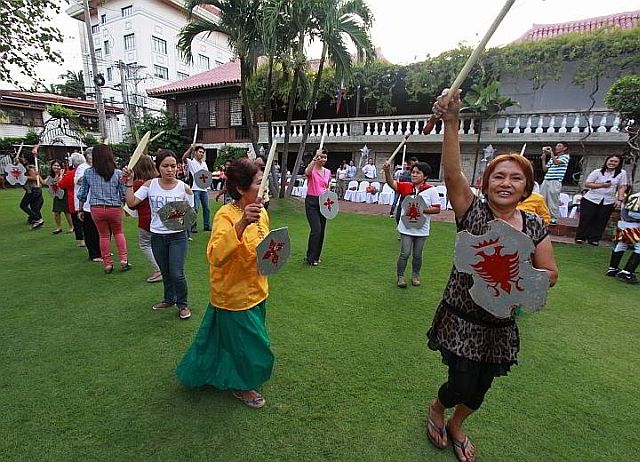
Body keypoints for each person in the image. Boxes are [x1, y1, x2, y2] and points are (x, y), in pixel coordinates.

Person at [426, 90, 558, 462]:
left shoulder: (534, 225)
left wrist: (519, 280)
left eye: (516, 178)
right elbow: (452, 174)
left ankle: (457, 425)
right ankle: (439, 408)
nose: (506, 182)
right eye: (498, 176)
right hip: (462, 318)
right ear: (485, 184)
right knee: (460, 383)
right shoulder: (473, 214)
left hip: (501, 325)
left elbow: (550, 273)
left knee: (481, 390)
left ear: (526, 187)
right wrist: (451, 122)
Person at [176, 157, 274, 408]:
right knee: (252, 345)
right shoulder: (226, 216)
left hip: (257, 289)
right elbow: (216, 256)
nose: (263, 188)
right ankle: (242, 386)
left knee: (226, 342)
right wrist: (241, 224)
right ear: (241, 188)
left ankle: (215, 371)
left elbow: (265, 247)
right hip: (233, 296)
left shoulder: (261, 212)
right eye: (258, 183)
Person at [123, 150, 194, 319]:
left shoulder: (184, 188)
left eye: (173, 166)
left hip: (177, 236)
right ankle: (169, 299)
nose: (170, 169)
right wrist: (129, 183)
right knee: (165, 271)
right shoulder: (150, 184)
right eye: (165, 166)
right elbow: (132, 203)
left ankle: (182, 304)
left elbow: (190, 214)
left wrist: (179, 217)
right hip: (157, 236)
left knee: (177, 272)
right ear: (158, 167)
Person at [382, 160, 441, 288]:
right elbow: (392, 183)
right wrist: (387, 171)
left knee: (418, 254)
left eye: (417, 173)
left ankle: (415, 275)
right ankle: (401, 276)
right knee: (405, 253)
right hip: (406, 227)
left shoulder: (431, 190)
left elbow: (437, 209)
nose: (414, 175)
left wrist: (420, 209)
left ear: (425, 176)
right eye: (413, 172)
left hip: (422, 228)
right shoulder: (406, 186)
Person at [77, 144, 129, 273]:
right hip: (114, 208)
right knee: (118, 233)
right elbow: (123, 193)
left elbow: (83, 193)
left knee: (103, 236)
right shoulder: (117, 173)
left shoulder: (88, 172)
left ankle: (107, 263)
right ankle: (123, 259)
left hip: (96, 209)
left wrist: (80, 209)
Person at [575, 154, 628, 245]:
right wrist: (602, 185)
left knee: (601, 220)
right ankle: (581, 237)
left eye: (615, 162)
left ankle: (594, 239)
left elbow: (622, 186)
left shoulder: (622, 173)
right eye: (611, 161)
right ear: (607, 161)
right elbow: (588, 184)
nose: (612, 163)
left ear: (619, 163)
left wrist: (619, 199)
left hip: (608, 200)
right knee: (586, 218)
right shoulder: (597, 172)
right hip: (591, 198)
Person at [131, 155, 162, 283]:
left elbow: (132, 204)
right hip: (159, 219)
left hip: (146, 219)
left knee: (145, 244)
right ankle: (162, 269)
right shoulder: (159, 182)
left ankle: (159, 270)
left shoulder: (138, 184)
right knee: (158, 246)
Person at [304, 148, 331, 266]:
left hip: (323, 201)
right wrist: (315, 158)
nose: (323, 159)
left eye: (325, 157)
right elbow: (307, 172)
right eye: (321, 156)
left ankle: (316, 256)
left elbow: (327, 186)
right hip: (311, 202)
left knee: (322, 230)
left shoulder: (328, 172)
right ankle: (310, 257)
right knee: (316, 229)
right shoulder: (312, 170)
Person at [606, 191, 640, 284]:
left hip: (626, 224)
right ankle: (626, 273)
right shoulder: (638, 196)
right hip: (632, 226)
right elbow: (632, 213)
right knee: (638, 247)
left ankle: (613, 268)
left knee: (622, 244)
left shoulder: (635, 195)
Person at [75, 149, 101, 262]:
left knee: (102, 230)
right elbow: (79, 181)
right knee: (91, 230)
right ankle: (94, 254)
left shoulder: (99, 168)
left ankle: (102, 250)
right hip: (87, 204)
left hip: (100, 203)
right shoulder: (83, 168)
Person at [57, 153, 85, 247]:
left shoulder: (70, 174)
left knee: (76, 221)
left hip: (74, 200)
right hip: (86, 200)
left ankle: (81, 240)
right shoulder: (87, 171)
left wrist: (61, 176)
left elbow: (61, 185)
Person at [182, 144, 211, 233]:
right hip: (195, 188)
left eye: (203, 152)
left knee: (206, 208)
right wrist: (190, 148)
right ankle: (193, 226)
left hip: (204, 189)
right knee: (195, 208)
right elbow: (183, 158)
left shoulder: (204, 164)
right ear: (196, 152)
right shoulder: (191, 162)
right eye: (200, 152)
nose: (201, 154)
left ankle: (207, 225)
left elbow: (206, 175)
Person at [540, 142, 570, 225]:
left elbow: (556, 162)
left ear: (565, 148)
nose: (557, 147)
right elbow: (545, 169)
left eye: (559, 146)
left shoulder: (566, 157)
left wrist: (551, 153)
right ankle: (543, 216)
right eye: (557, 146)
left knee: (553, 200)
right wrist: (543, 159)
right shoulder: (554, 157)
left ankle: (553, 218)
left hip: (555, 181)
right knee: (542, 199)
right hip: (546, 180)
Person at [47, 159, 74, 234]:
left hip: (64, 194)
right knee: (56, 211)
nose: (56, 167)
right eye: (54, 165)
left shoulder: (65, 174)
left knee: (66, 211)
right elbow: (45, 182)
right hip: (56, 194)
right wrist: (38, 175)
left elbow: (61, 183)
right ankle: (58, 227)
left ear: (61, 167)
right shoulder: (51, 176)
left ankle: (72, 226)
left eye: (58, 165)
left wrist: (61, 175)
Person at [20, 163, 45, 229]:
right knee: (35, 208)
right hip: (35, 191)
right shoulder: (28, 170)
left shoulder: (30, 169)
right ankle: (36, 220)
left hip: (33, 191)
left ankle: (37, 219)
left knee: (23, 205)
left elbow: (36, 179)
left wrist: (25, 177)